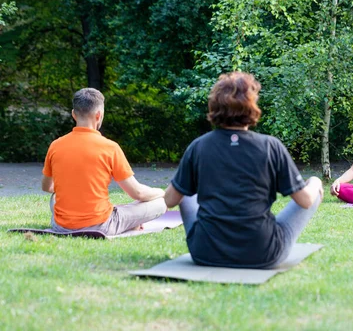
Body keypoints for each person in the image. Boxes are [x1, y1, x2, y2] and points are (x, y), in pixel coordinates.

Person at [163, 72, 323, 269]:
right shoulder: (271, 146)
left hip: (206, 252)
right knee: (313, 190)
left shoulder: (199, 146)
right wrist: (315, 181)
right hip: (262, 253)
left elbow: (170, 200)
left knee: (184, 192)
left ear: (215, 105)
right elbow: (305, 201)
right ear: (252, 105)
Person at [41, 88, 166, 235]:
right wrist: (161, 192)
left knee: (55, 197)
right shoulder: (110, 147)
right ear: (99, 115)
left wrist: (71, 190)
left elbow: (47, 187)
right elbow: (137, 193)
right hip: (101, 225)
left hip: (61, 226)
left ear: (74, 114)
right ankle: (130, 223)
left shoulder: (55, 145)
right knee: (161, 203)